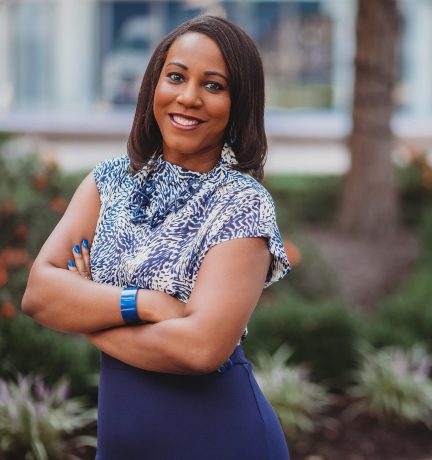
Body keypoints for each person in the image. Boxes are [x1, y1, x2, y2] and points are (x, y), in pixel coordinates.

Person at [22, 15, 291, 460]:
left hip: (223, 443)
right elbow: (38, 294)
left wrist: (85, 314)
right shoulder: (109, 181)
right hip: (120, 446)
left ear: (238, 103)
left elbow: (200, 349)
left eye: (213, 85)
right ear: (153, 86)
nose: (189, 97)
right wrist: (144, 304)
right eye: (176, 77)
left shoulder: (242, 203)